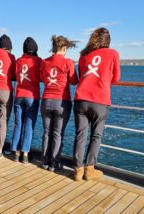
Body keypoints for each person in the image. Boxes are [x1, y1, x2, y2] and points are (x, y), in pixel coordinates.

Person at [73, 27, 120, 181]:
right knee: (96, 136)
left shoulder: (83, 54)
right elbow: (116, 78)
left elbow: (80, 75)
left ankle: (77, 171)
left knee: (80, 135)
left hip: (81, 100)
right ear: (108, 40)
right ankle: (89, 170)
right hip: (100, 100)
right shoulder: (113, 53)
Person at [40, 35, 78, 171]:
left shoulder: (44, 62)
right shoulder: (68, 62)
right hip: (62, 101)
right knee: (57, 133)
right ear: (63, 48)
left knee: (46, 132)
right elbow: (74, 81)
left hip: (46, 100)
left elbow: (43, 79)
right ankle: (54, 164)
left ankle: (44, 161)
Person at [11, 37, 41, 163]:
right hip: (31, 96)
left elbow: (14, 75)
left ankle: (16, 153)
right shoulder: (38, 61)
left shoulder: (18, 61)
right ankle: (25, 155)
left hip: (19, 95)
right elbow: (42, 76)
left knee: (18, 124)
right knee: (29, 126)